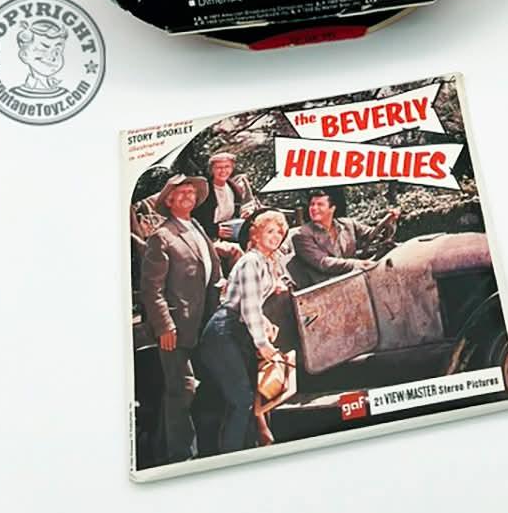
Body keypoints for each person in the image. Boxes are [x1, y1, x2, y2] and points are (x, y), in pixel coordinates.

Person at [139, 174, 221, 463]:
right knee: (181, 391)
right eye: (181, 192)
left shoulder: (196, 227)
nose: (188, 196)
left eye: (191, 192)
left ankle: (201, 451)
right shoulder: (162, 236)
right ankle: (180, 458)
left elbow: (210, 269)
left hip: (205, 322)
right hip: (177, 328)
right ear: (170, 200)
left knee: (202, 388)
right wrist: (165, 326)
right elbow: (152, 288)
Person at [197, 208, 288, 454]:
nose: (276, 236)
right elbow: (247, 308)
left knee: (247, 400)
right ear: (255, 235)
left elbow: (251, 303)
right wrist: (263, 344)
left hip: (236, 331)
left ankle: (245, 451)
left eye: (279, 232)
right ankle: (230, 456)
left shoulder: (265, 262)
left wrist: (266, 325)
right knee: (241, 399)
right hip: (223, 332)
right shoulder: (251, 261)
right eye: (270, 231)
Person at [287, 189, 400, 290]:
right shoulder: (301, 235)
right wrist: (357, 264)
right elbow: (323, 263)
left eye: (320, 204)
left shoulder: (348, 224)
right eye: (312, 204)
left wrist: (389, 222)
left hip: (355, 280)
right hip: (325, 289)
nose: (314, 208)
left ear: (332, 209)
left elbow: (375, 236)